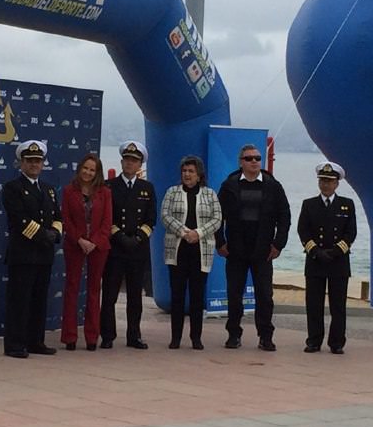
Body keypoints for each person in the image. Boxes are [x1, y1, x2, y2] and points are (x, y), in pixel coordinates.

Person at [216, 144, 290, 351]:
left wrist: (278, 244)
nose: (254, 161)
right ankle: (233, 334)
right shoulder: (229, 185)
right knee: (234, 294)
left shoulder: (273, 185)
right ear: (241, 162)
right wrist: (220, 242)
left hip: (263, 250)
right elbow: (217, 216)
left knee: (265, 295)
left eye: (257, 158)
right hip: (236, 249)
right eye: (249, 158)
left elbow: (284, 216)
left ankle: (265, 336)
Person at [2, 140, 62, 358]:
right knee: (20, 301)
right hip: (23, 253)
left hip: (44, 254)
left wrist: (55, 233)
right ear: (22, 163)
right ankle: (15, 344)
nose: (35, 165)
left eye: (38, 161)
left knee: (39, 300)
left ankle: (36, 340)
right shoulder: (13, 188)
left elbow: (57, 216)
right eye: (30, 161)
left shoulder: (49, 190)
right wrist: (42, 235)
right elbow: (18, 218)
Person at [161, 155, 222, 350]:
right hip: (178, 251)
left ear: (199, 175)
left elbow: (217, 219)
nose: (187, 174)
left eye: (191, 171)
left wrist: (199, 233)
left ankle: (196, 338)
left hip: (200, 251)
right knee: (177, 295)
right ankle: (175, 338)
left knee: (197, 296)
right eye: (184, 171)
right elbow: (165, 215)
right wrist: (184, 232)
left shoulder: (210, 194)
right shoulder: (172, 192)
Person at [101, 141, 157, 349]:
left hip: (138, 249)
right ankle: (107, 335)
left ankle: (134, 335)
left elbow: (151, 219)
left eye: (134, 161)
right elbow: (105, 217)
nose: (129, 164)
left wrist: (139, 238)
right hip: (115, 248)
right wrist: (119, 237)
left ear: (140, 164)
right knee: (109, 295)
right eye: (127, 160)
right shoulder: (109, 186)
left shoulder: (147, 188)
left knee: (135, 296)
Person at [297, 161, 356, 354]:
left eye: (329, 181)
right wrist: (316, 251)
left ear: (337, 183)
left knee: (338, 306)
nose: (325, 184)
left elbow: (351, 233)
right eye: (322, 180)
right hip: (315, 261)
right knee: (314, 305)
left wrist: (335, 252)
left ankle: (337, 342)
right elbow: (303, 231)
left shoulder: (347, 205)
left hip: (338, 262)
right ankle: (314, 340)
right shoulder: (309, 204)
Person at [60, 153, 112, 351]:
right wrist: (79, 239)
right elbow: (66, 219)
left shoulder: (105, 192)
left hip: (98, 246)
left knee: (93, 290)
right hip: (75, 244)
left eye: (92, 170)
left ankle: (92, 337)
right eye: (86, 168)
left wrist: (94, 242)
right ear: (80, 168)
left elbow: (107, 222)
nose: (88, 172)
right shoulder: (68, 191)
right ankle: (69, 336)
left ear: (97, 173)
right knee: (72, 288)